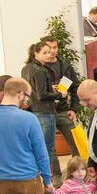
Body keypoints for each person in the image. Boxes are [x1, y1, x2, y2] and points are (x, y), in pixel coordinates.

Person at [21, 41, 73, 180]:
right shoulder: (41, 70)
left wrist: (51, 89)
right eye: (44, 52)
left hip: (34, 111)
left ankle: (47, 179)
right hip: (45, 111)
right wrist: (60, 94)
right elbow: (42, 95)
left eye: (48, 52)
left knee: (42, 147)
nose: (48, 55)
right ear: (35, 53)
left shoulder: (26, 69)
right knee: (49, 149)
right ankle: (51, 180)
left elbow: (34, 91)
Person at [41, 35, 84, 169]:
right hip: (45, 112)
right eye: (49, 48)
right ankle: (56, 178)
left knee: (75, 144)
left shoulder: (65, 64)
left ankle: (78, 173)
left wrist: (74, 108)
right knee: (49, 148)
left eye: (55, 47)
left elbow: (75, 86)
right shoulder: (37, 68)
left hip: (63, 110)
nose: (53, 51)